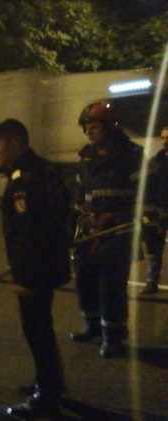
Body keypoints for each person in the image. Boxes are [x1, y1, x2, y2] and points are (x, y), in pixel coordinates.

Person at [0, 119, 70, 419]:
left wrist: (23, 275)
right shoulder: (45, 169)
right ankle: (50, 383)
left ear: (14, 143)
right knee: (41, 327)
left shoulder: (25, 178)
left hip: (35, 270)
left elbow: (28, 231)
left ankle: (46, 398)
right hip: (47, 263)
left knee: (36, 330)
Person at [70, 101, 142, 358]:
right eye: (86, 128)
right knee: (85, 280)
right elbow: (80, 190)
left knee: (111, 287)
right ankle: (92, 326)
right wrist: (75, 219)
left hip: (117, 231)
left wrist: (148, 218)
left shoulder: (131, 156)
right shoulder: (87, 157)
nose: (88, 133)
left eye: (93, 127)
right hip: (89, 231)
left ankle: (113, 337)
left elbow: (147, 192)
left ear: (110, 127)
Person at [141, 126, 168, 295]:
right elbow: (147, 188)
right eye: (163, 137)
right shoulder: (155, 162)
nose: (165, 141)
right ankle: (152, 282)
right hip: (159, 211)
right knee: (153, 248)